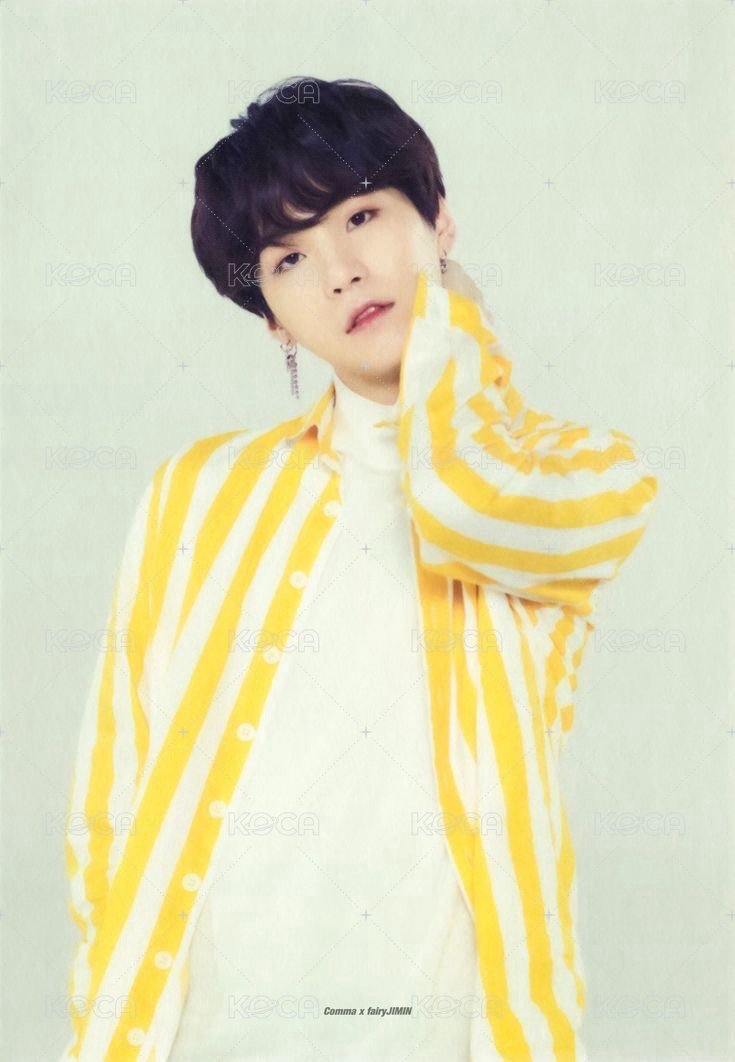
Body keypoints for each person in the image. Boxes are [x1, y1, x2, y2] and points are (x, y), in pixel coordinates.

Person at [61, 77, 657, 1061]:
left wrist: (452, 325)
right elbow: (114, 789)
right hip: (211, 1030)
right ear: (271, 317)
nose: (339, 272)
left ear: (439, 218)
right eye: (289, 258)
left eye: (362, 216)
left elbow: (467, 505)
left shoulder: (583, 473)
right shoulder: (196, 492)